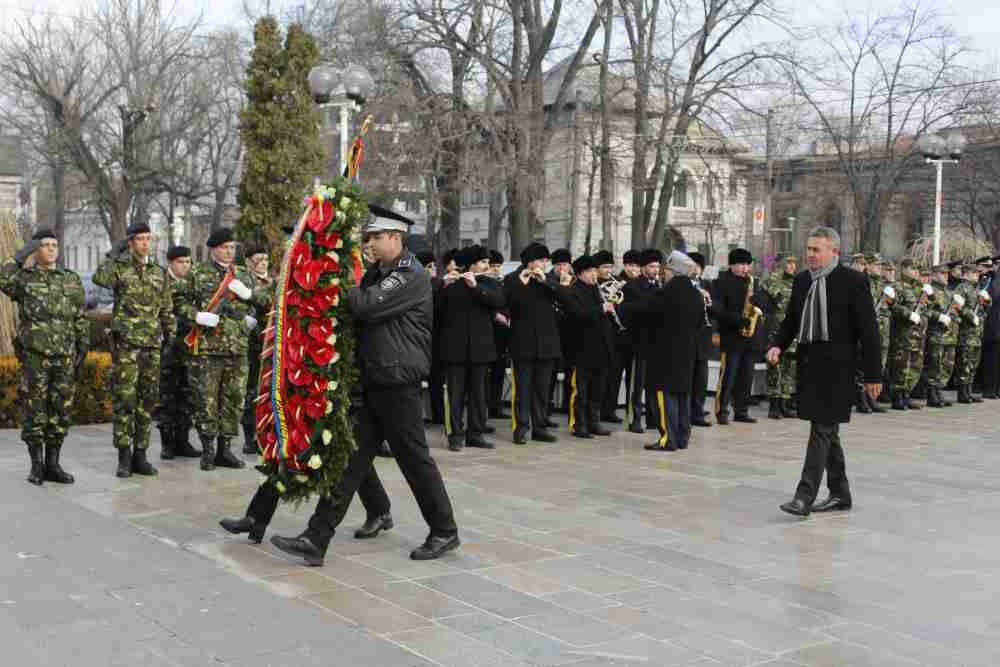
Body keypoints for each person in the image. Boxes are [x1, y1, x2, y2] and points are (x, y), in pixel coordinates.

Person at [270, 205, 460, 565]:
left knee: (413, 458)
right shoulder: (379, 272)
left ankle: (444, 530)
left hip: (397, 380)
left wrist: (335, 277)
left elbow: (365, 306)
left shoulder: (408, 274)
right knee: (350, 462)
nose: (368, 244)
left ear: (395, 237)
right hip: (376, 378)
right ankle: (316, 537)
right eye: (367, 238)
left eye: (373, 238)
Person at [768, 227, 880, 517]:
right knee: (828, 433)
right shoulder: (803, 280)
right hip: (810, 366)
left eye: (816, 250)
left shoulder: (853, 281)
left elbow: (869, 331)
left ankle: (803, 496)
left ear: (834, 252)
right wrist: (778, 345)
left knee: (821, 430)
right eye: (808, 249)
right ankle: (840, 493)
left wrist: (873, 375)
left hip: (839, 369)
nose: (810, 255)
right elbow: (792, 318)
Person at [0, 229, 88, 485]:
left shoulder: (70, 279)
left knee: (60, 410)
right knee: (35, 411)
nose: (51, 249)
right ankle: (36, 465)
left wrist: (82, 346)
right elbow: (4, 279)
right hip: (36, 356)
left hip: (64, 356)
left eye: (54, 245)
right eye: (45, 245)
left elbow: (79, 315)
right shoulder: (25, 279)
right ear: (36, 250)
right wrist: (19, 255)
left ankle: (53, 464)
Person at [94, 222, 175, 478]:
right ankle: (124, 457)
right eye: (139, 239)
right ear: (130, 243)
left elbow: (166, 308)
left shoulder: (158, 272)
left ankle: (141, 454)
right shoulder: (119, 269)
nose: (144, 243)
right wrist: (112, 255)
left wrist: (170, 336)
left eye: (147, 239)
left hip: (151, 345)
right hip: (126, 346)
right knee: (125, 401)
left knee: (147, 401)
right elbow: (100, 278)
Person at [185, 228, 265, 471]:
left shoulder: (243, 274)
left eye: (232, 247)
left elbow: (264, 303)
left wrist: (250, 297)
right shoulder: (197, 273)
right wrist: (196, 315)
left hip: (237, 348)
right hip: (208, 348)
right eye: (224, 247)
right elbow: (176, 302)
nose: (229, 251)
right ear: (213, 249)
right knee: (206, 401)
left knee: (233, 400)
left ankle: (225, 450)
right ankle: (208, 450)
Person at [635, 252, 705, 452]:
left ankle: (668, 439)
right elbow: (700, 323)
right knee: (683, 396)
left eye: (666, 270)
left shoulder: (666, 293)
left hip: (664, 354)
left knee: (664, 397)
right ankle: (682, 437)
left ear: (673, 271)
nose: (663, 273)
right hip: (687, 354)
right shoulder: (696, 294)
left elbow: (649, 317)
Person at [438, 244, 505, 451]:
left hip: (480, 348)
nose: (488, 266)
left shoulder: (489, 284)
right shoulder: (452, 284)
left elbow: (498, 301)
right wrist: (442, 285)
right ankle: (455, 435)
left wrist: (476, 287)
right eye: (483, 262)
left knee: (478, 394)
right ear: (471, 264)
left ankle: (475, 433)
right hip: (455, 349)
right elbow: (437, 309)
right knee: (455, 395)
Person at [504, 243, 569, 444]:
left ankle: (540, 427)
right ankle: (521, 428)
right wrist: (522, 284)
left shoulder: (549, 280)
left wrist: (549, 283)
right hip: (523, 343)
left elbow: (567, 300)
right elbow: (507, 302)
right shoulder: (513, 279)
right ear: (531, 262)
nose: (545, 264)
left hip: (547, 344)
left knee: (542, 389)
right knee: (522, 389)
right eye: (542, 260)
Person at [561, 254, 615, 439]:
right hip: (581, 349)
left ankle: (594, 422)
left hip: (600, 348)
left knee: (596, 389)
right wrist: (601, 309)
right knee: (580, 390)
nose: (594, 274)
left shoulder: (596, 289)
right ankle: (578, 424)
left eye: (594, 271)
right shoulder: (572, 291)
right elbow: (577, 314)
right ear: (580, 273)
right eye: (590, 271)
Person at [158, 245, 202, 460]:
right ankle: (167, 444)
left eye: (188, 262)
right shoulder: (161, 281)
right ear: (171, 262)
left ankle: (183, 441)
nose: (185, 266)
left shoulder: (193, 281)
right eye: (181, 262)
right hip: (167, 348)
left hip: (188, 348)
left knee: (187, 396)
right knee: (167, 397)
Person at [712, 248, 762, 425]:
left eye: (747, 264)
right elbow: (716, 309)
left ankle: (742, 410)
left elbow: (760, 305)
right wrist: (737, 319)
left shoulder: (751, 282)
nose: (745, 268)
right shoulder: (721, 282)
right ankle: (722, 410)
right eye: (741, 264)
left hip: (749, 337)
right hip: (731, 336)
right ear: (731, 264)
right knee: (728, 375)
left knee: (746, 376)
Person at [621, 249, 663, 433]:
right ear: (644, 268)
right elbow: (627, 310)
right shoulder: (632, 286)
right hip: (638, 341)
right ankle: (634, 418)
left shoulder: (659, 287)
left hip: (655, 342)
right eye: (652, 266)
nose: (656, 270)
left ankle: (653, 418)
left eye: (658, 266)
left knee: (653, 382)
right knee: (636, 384)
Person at [241, 245, 274, 454]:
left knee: (268, 389)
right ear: (248, 262)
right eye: (258, 259)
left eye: (265, 258)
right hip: (253, 344)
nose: (262, 262)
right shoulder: (245, 282)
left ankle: (268, 433)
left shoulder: (274, 281)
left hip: (270, 342)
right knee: (252, 390)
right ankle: (250, 436)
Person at [601, 249, 641, 422]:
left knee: (633, 378)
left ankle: (633, 411)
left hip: (636, 337)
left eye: (637, 266)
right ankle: (608, 410)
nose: (634, 269)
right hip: (617, 337)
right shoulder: (616, 282)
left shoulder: (642, 283)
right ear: (625, 265)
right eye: (631, 265)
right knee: (614, 375)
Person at [888, 259, 931, 410]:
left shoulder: (920, 289)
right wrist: (908, 314)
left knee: (915, 366)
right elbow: (892, 305)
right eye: (912, 268)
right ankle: (897, 396)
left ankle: (907, 394)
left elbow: (928, 309)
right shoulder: (897, 286)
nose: (915, 272)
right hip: (904, 335)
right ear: (904, 269)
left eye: (916, 269)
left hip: (919, 335)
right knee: (901, 365)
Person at [762, 255, 798, 419]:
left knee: (789, 367)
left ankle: (784, 401)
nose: (791, 266)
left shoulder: (797, 282)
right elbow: (765, 298)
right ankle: (774, 404)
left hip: (791, 331)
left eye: (793, 263)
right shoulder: (773, 278)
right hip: (776, 328)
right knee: (775, 366)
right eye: (788, 263)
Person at [924, 264, 960, 408]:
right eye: (942, 273)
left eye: (947, 274)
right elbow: (925, 310)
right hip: (937, 335)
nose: (946, 276)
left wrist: (956, 316)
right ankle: (932, 394)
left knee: (946, 366)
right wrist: (939, 316)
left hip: (950, 335)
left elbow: (955, 312)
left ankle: (939, 391)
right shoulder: (930, 291)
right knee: (935, 364)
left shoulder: (949, 292)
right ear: (934, 274)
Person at [954, 263, 988, 403]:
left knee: (973, 363)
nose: (977, 275)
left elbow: (982, 307)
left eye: (977, 273)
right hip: (966, 333)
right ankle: (962, 392)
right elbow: (957, 306)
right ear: (967, 273)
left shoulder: (977, 288)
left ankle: (969, 389)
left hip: (976, 333)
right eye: (974, 273)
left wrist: (987, 301)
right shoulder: (962, 288)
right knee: (965, 362)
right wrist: (970, 315)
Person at [687, 252, 714, 427]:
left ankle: (697, 412)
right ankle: (685, 413)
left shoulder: (708, 285)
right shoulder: (681, 286)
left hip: (703, 339)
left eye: (698, 266)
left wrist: (709, 301)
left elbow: (716, 308)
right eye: (692, 265)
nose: (695, 269)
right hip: (687, 339)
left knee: (701, 379)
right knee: (687, 378)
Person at [485, 250, 511, 421]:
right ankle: (486, 407)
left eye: (498, 266)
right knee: (486, 375)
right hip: (487, 334)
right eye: (492, 266)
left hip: (502, 335)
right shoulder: (482, 283)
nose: (495, 269)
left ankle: (496, 406)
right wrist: (495, 315)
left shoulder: (503, 283)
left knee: (499, 372)